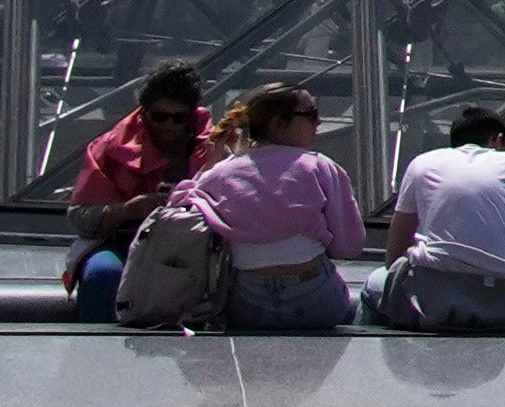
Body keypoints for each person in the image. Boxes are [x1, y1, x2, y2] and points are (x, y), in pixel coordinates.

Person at [151, 84, 367, 330]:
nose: (318, 122)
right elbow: (349, 247)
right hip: (315, 297)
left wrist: (210, 163)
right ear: (277, 123)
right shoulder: (320, 168)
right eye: (310, 113)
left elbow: (179, 204)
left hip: (247, 303)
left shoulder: (222, 172)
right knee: (357, 307)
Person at [373, 100, 505, 331]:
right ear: (498, 140)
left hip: (431, 302)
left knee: (373, 287)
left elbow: (394, 253)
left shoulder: (422, 163)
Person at [61, 65, 210, 316]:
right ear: (144, 113)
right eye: (160, 116)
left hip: (195, 244)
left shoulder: (215, 147)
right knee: (103, 277)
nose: (169, 126)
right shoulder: (110, 148)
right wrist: (127, 210)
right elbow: (79, 217)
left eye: (179, 118)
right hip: (123, 241)